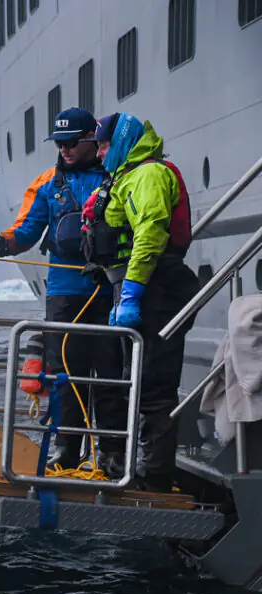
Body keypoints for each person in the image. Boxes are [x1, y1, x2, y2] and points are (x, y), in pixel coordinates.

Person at [0, 107, 126, 471]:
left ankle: (114, 455)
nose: (65, 149)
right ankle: (65, 452)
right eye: (59, 143)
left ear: (92, 140)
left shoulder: (116, 177)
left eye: (72, 142)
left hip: (111, 292)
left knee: (110, 375)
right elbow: (25, 230)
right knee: (64, 376)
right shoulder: (45, 183)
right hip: (64, 295)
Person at [83, 112, 200, 492]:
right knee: (131, 380)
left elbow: (150, 232)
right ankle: (133, 466)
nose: (99, 155)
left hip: (155, 289)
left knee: (153, 384)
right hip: (136, 288)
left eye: (102, 145)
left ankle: (154, 478)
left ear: (121, 142)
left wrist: (132, 290)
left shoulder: (148, 175)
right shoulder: (126, 177)